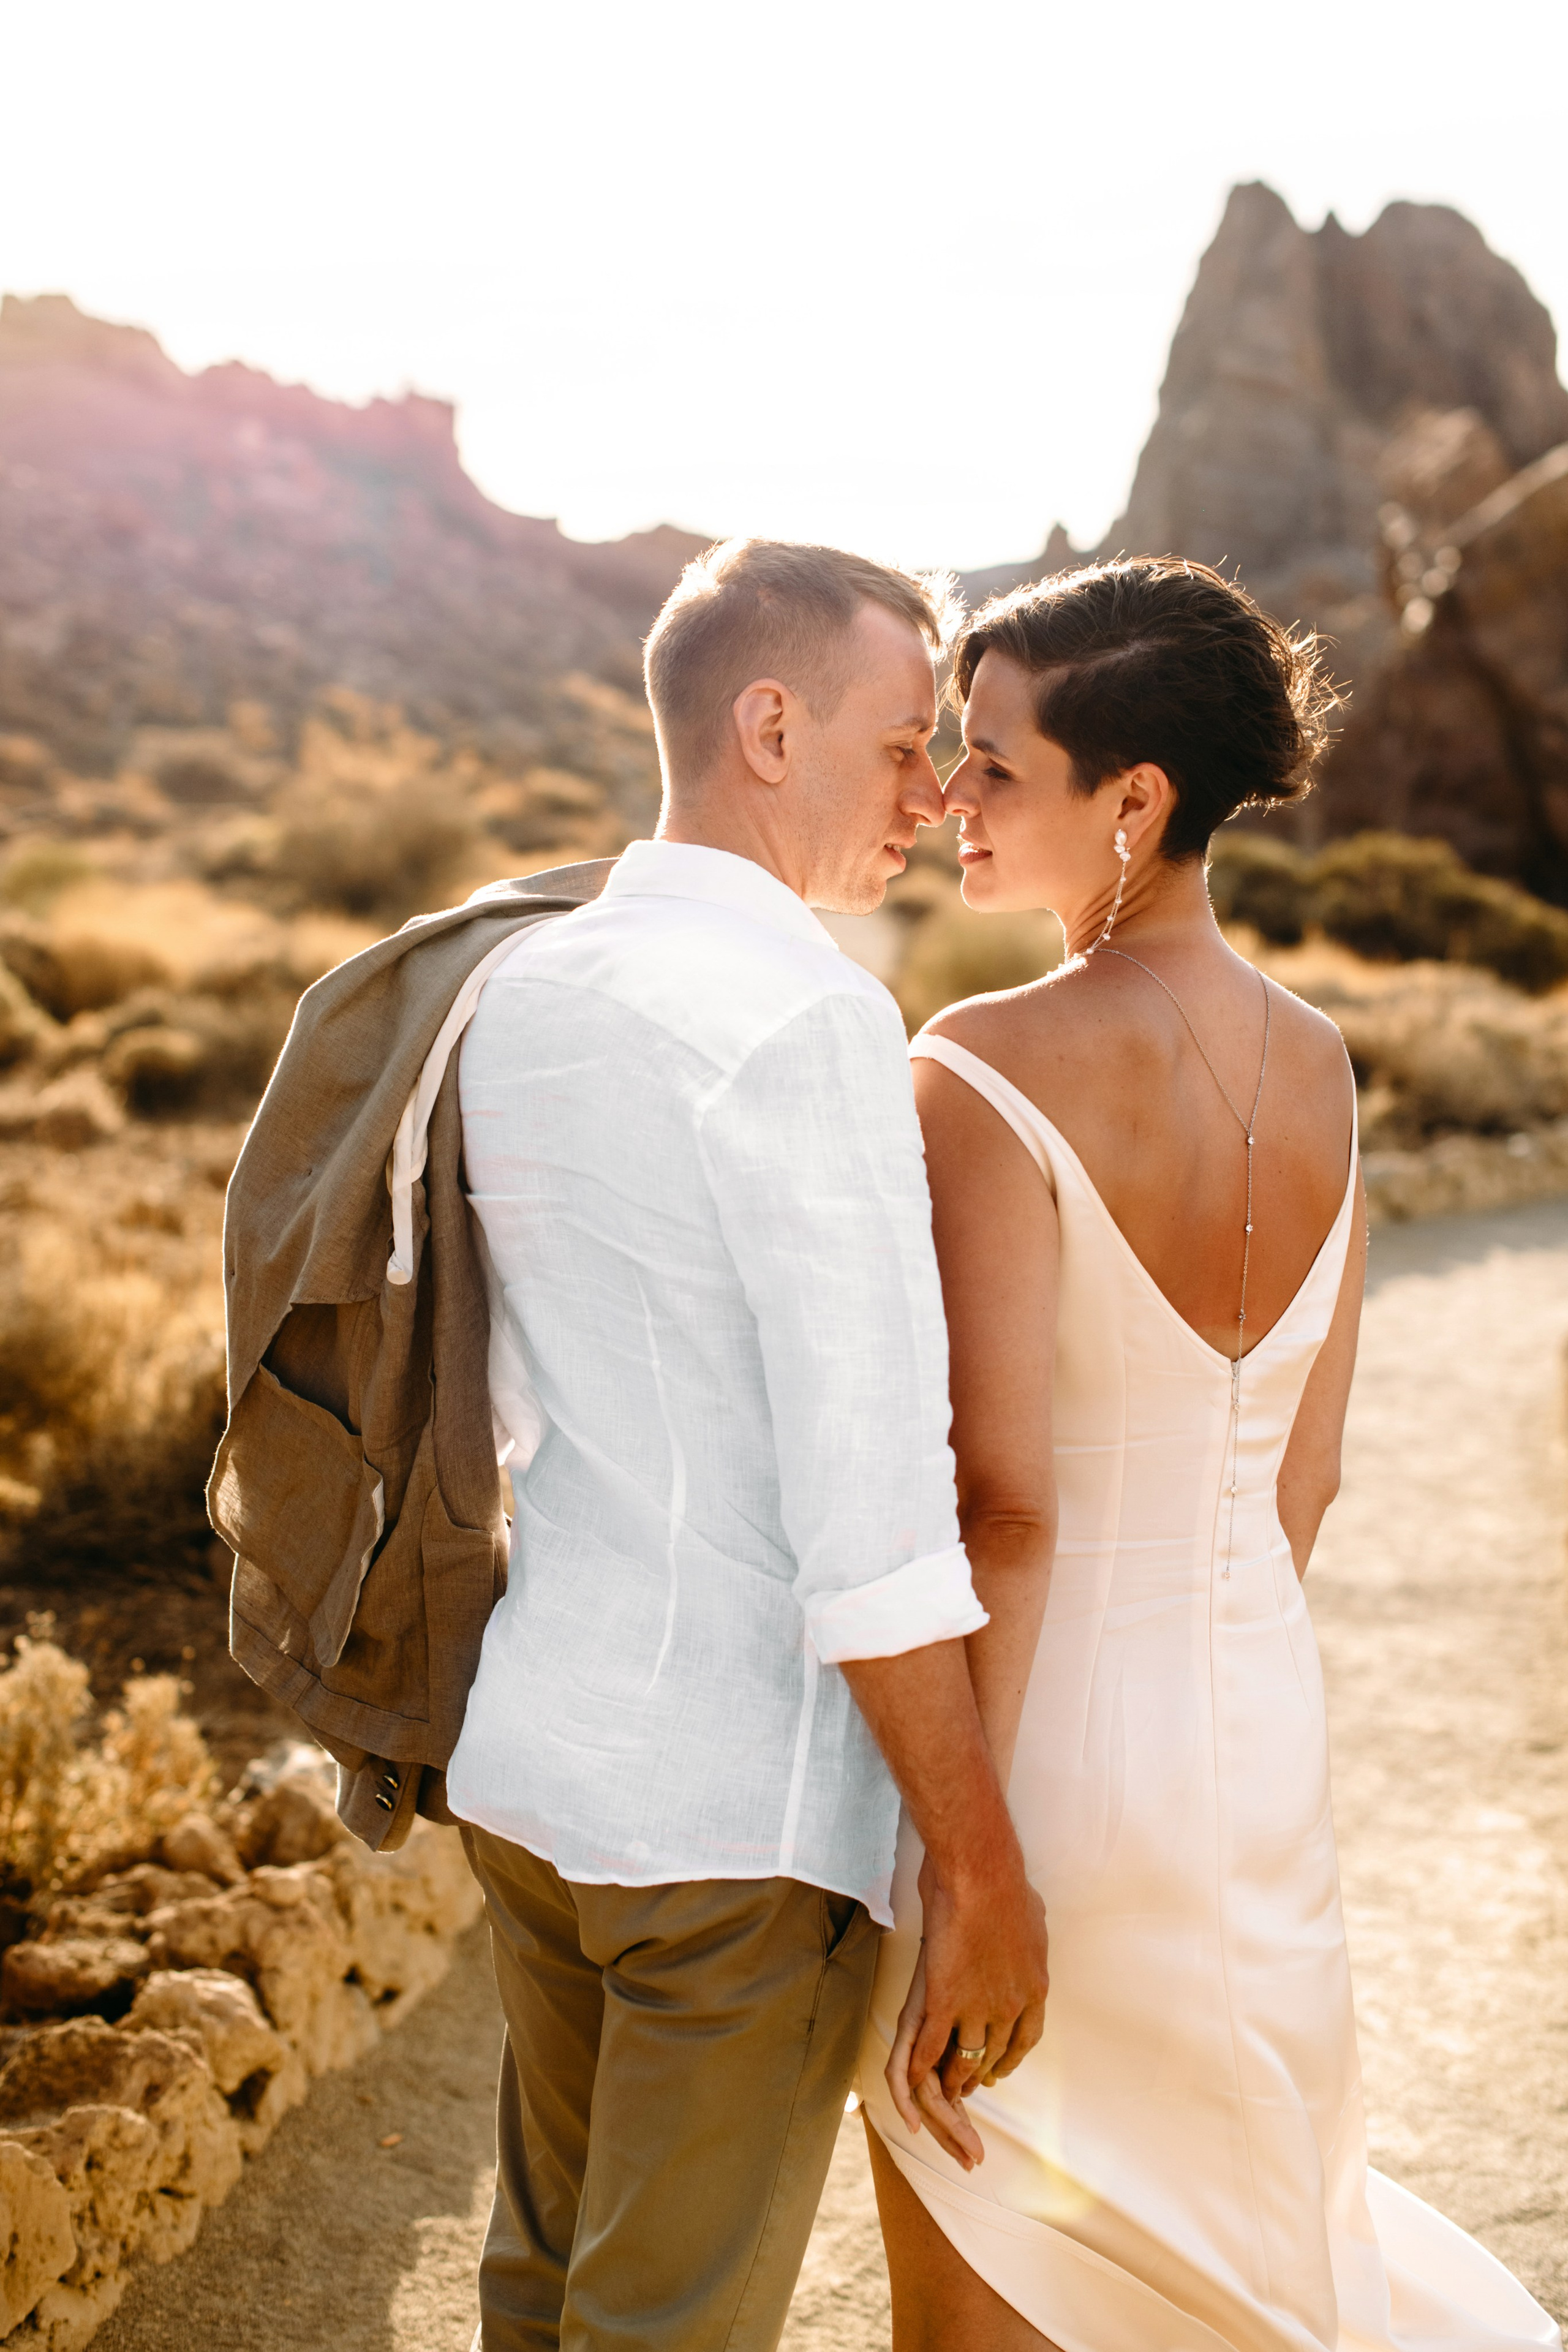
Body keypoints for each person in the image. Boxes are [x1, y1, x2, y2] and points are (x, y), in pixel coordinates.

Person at [857, 559, 1561, 2351]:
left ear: (1136, 799)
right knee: (1248, 2221)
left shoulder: (980, 1065)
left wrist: (969, 1862)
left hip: (1049, 1763)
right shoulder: (1325, 1063)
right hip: (1254, 1735)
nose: (951, 799)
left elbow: (1002, 1505)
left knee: (990, 2250)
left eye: (995, 766)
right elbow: (1299, 1483)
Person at [447, 538, 1050, 2351]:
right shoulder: (805, 1025)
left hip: (540, 1774)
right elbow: (870, 1521)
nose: (935, 794)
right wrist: (978, 1867)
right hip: (736, 1826)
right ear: (767, 726)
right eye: (900, 745)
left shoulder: (518, 984)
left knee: (542, 2290)